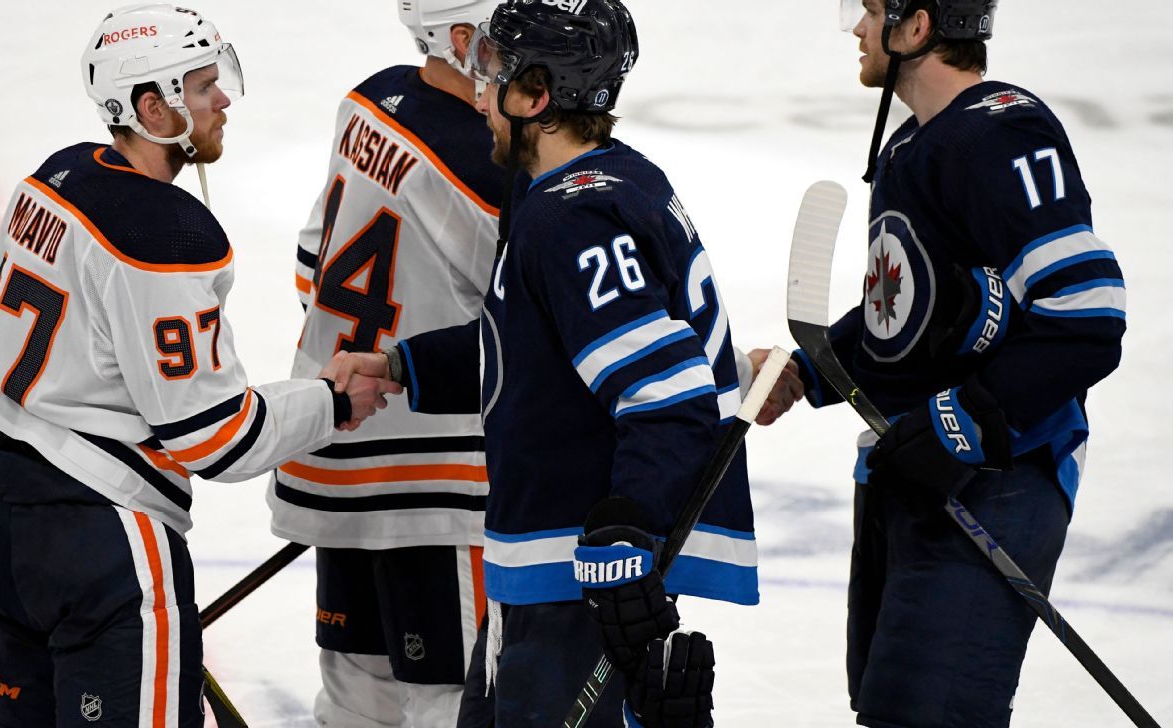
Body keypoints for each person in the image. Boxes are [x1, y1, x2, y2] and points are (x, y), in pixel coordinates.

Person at [323, 2, 803, 726]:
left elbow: (665, 396)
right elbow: (530, 349)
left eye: (494, 72)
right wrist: (401, 366)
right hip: (544, 574)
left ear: (536, 93)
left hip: (573, 579)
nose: (480, 93)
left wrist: (623, 540)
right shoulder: (605, 180)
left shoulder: (570, 216)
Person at [0, 5, 397, 726]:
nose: (222, 99)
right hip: (103, 545)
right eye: (201, 86)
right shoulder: (165, 231)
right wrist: (332, 401)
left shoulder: (53, 178)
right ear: (151, 106)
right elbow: (214, 437)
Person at [783, 2, 1126, 726]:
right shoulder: (918, 142)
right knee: (887, 709)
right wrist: (807, 368)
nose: (855, 28)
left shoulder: (1001, 130)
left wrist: (965, 417)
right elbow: (918, 310)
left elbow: (1089, 315)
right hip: (908, 472)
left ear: (917, 26)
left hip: (999, 480)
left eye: (871, 11)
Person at [265, 1, 503, 725]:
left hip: (331, 445)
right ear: (463, 39)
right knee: (448, 703)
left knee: (355, 699)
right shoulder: (493, 166)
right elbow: (542, 329)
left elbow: (313, 261)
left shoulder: (371, 98)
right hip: (435, 483)